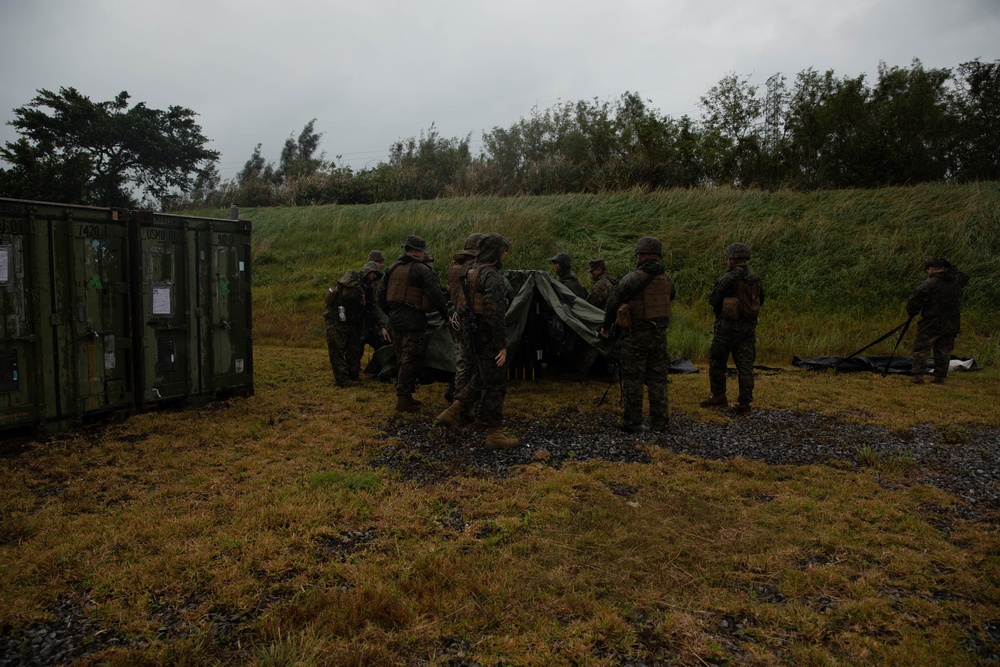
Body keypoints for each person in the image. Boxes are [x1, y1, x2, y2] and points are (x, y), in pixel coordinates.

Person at [437, 233, 520, 449]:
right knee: (495, 383)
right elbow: (494, 313)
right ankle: (493, 434)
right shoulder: (491, 276)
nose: (505, 255)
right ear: (496, 252)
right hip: (487, 336)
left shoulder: (471, 271)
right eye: (503, 250)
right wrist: (502, 344)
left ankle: (453, 412)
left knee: (480, 378)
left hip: (472, 333)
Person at [599, 237, 675, 433]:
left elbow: (613, 303)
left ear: (640, 255)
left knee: (633, 378)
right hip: (659, 335)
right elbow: (670, 297)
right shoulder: (667, 279)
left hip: (636, 336)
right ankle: (660, 421)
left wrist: (606, 327)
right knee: (658, 377)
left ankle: (631, 422)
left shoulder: (632, 278)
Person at [376, 236, 451, 412]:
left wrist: (392, 312)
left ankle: (406, 396)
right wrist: (445, 316)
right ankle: (403, 399)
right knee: (411, 359)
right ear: (418, 251)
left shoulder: (391, 269)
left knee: (401, 357)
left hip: (395, 320)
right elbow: (437, 295)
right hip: (413, 320)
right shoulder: (421, 269)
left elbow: (379, 296)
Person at [700, 242, 765, 413]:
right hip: (748, 327)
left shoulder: (728, 277)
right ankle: (745, 403)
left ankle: (719, 396)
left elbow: (714, 299)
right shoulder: (755, 278)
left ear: (731, 259)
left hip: (727, 327)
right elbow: (761, 300)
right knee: (745, 366)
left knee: (717, 360)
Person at [906, 258, 969, 384]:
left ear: (931, 269)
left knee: (921, 349)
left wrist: (913, 312)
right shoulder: (956, 281)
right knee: (944, 350)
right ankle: (939, 376)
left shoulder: (929, 284)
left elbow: (913, 304)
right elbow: (965, 276)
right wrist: (951, 266)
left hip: (931, 323)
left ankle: (918, 376)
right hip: (951, 323)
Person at [443, 233, 484, 423]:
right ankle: (465, 406)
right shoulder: (475, 267)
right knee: (476, 365)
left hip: (455, 317)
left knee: (461, 363)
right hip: (469, 318)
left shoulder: (454, 265)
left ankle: (457, 402)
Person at [573, 259, 618, 380]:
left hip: (602, 318)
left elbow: (590, 303)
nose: (591, 274)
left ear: (599, 269)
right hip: (612, 318)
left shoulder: (601, 284)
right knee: (606, 346)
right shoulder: (611, 281)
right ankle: (613, 374)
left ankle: (581, 372)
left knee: (592, 344)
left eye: (593, 271)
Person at [323, 269, 366, 388]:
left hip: (345, 321)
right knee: (338, 350)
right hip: (337, 321)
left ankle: (351, 376)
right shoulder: (353, 286)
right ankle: (343, 380)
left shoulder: (348, 286)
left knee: (350, 349)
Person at [355, 260, 391, 375]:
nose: (374, 276)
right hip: (355, 320)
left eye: (376, 274)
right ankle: (353, 370)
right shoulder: (355, 280)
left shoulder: (369, 287)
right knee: (356, 346)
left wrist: (383, 325)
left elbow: (372, 306)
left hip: (367, 321)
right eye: (373, 273)